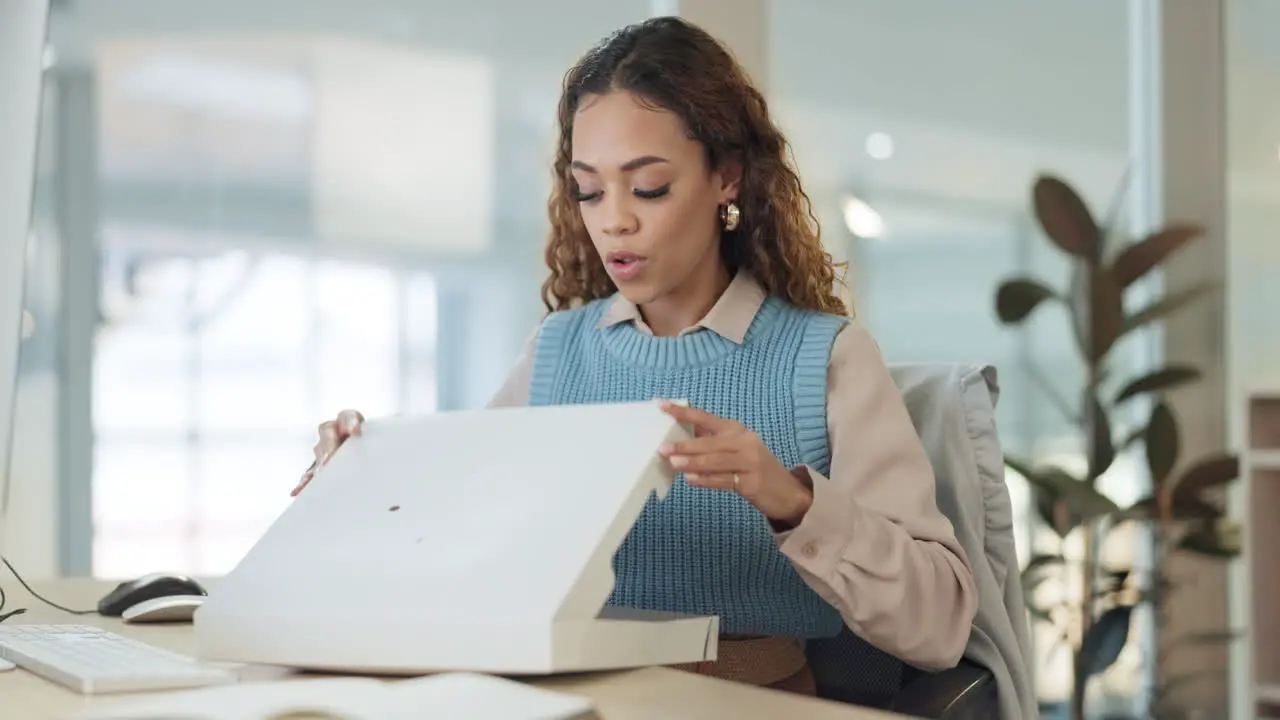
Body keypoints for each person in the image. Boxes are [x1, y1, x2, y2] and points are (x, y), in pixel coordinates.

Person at [294, 16, 977, 697]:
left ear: (727, 177)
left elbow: (940, 624)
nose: (612, 219)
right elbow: (459, 544)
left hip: (747, 703)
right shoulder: (558, 353)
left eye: (648, 187)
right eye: (588, 190)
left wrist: (792, 500)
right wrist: (365, 482)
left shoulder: (824, 358)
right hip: (565, 697)